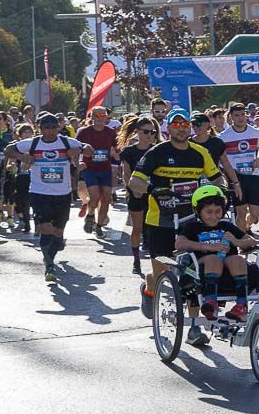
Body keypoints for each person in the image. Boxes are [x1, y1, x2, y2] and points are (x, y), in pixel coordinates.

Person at [128, 108, 223, 327]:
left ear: (189, 127)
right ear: (168, 127)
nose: (181, 128)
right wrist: (152, 188)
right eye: (176, 125)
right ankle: (149, 290)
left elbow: (217, 179)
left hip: (190, 220)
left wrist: (220, 194)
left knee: (192, 274)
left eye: (184, 124)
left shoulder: (199, 152)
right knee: (161, 273)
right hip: (160, 221)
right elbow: (135, 182)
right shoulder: (157, 152)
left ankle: (193, 326)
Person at [5, 113, 87, 282]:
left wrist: (79, 150)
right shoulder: (33, 143)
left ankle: (54, 250)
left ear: (58, 127)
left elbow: (89, 149)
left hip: (62, 194)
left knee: (58, 231)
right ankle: (49, 264)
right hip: (39, 192)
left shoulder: (65, 142)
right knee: (45, 228)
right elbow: (8, 149)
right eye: (46, 128)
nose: (51, 131)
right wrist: (22, 157)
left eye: (54, 127)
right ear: (40, 129)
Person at [176, 185, 259, 322]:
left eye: (218, 211)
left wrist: (236, 242)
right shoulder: (193, 227)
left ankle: (241, 306)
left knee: (238, 259)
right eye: (209, 212)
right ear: (198, 211)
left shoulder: (227, 226)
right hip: (199, 267)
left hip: (228, 267)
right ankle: (211, 302)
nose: (214, 216)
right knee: (214, 259)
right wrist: (208, 246)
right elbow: (179, 244)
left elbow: (252, 241)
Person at [117, 116, 156, 275]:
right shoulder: (129, 151)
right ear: (137, 132)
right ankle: (136, 260)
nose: (149, 135)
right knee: (137, 229)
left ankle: (156, 262)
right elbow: (126, 174)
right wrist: (133, 190)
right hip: (136, 194)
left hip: (153, 193)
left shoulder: (157, 149)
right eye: (146, 131)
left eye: (152, 132)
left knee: (154, 229)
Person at [219, 103, 259, 233]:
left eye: (242, 115)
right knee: (241, 211)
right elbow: (220, 159)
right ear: (231, 117)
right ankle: (241, 241)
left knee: (255, 215)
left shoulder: (255, 132)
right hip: (236, 178)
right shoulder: (224, 136)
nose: (240, 118)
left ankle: (246, 227)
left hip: (253, 176)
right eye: (236, 115)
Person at [77, 106, 119, 238]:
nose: (100, 118)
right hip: (90, 169)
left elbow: (116, 148)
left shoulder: (111, 132)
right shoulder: (84, 132)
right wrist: (78, 162)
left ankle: (99, 226)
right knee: (95, 197)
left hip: (105, 169)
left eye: (103, 116)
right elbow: (75, 147)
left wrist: (117, 154)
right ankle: (90, 215)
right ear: (92, 117)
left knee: (106, 198)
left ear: (107, 117)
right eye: (97, 116)